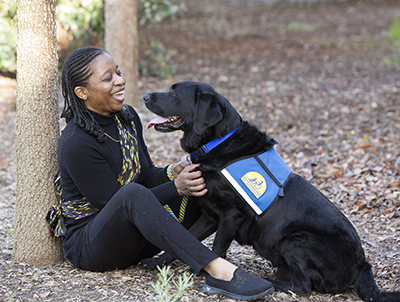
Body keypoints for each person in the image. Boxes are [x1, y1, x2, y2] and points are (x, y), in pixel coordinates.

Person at [46, 46, 274, 301]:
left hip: (137, 240)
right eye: (108, 78)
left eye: (118, 73)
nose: (120, 81)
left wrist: (171, 174)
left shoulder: (127, 118)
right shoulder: (76, 142)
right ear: (82, 92)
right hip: (94, 246)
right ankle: (217, 269)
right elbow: (115, 203)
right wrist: (175, 187)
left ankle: (275, 244)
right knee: (132, 194)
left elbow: (144, 176)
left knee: (203, 181)